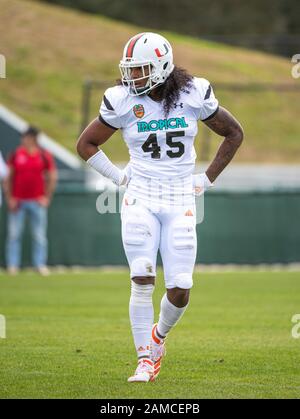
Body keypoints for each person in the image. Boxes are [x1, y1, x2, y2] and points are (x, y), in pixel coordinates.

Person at [77, 32, 244, 382]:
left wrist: (207, 179)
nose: (130, 78)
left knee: (181, 286)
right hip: (142, 196)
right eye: (129, 70)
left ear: (161, 68)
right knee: (142, 276)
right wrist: (118, 176)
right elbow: (87, 144)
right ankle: (143, 359)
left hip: (180, 196)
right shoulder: (121, 100)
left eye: (139, 70)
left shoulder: (192, 93)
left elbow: (234, 133)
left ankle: (158, 338)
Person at [3, 126, 57, 276]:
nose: (24, 140)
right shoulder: (15, 155)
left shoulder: (43, 156)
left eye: (27, 137)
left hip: (37, 202)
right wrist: (10, 198)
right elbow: (8, 178)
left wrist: (46, 197)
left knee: (39, 236)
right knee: (14, 235)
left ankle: (39, 265)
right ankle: (13, 265)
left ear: (33, 138)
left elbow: (52, 177)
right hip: (18, 202)